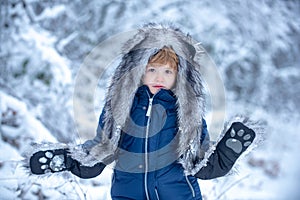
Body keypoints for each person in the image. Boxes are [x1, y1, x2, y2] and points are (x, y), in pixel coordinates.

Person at [28, 24, 257, 200]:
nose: (159, 77)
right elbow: (100, 150)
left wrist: (226, 153)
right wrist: (66, 160)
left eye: (168, 71)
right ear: (138, 70)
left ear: (179, 75)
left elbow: (201, 162)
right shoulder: (120, 106)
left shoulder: (187, 112)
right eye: (152, 69)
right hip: (128, 192)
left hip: (177, 194)